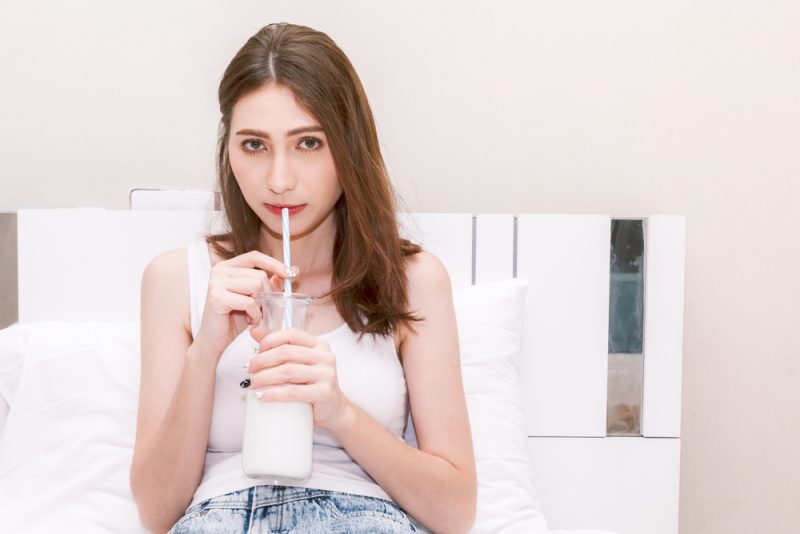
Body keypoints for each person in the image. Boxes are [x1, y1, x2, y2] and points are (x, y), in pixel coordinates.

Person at [130, 22, 476, 534]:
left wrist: (338, 412)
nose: (279, 180)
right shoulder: (177, 279)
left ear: (349, 146)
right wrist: (205, 351)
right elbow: (156, 513)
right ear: (229, 151)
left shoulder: (413, 280)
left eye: (309, 142)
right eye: (254, 145)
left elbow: (455, 513)